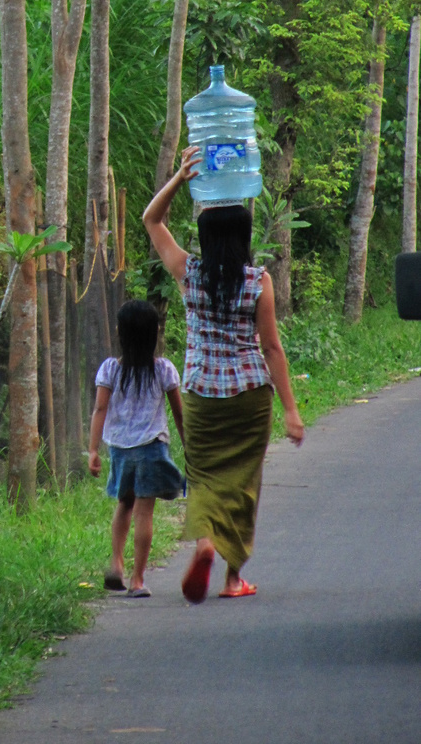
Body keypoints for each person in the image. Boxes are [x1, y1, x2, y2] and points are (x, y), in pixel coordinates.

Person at [143, 145, 305, 603]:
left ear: (205, 236)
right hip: (250, 395)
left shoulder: (188, 273)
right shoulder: (259, 281)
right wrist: (291, 410)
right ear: (244, 236)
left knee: (204, 477)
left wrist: (179, 177)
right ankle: (234, 578)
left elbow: (151, 221)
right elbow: (271, 348)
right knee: (242, 483)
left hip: (201, 395)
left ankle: (204, 544)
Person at [89, 299, 185, 598]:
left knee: (124, 504)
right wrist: (190, 444)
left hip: (119, 449)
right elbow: (179, 413)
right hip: (151, 448)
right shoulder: (164, 370)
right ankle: (138, 580)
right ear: (155, 333)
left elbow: (99, 409)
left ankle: (116, 563)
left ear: (121, 332)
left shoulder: (110, 370)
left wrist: (93, 450)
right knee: (145, 512)